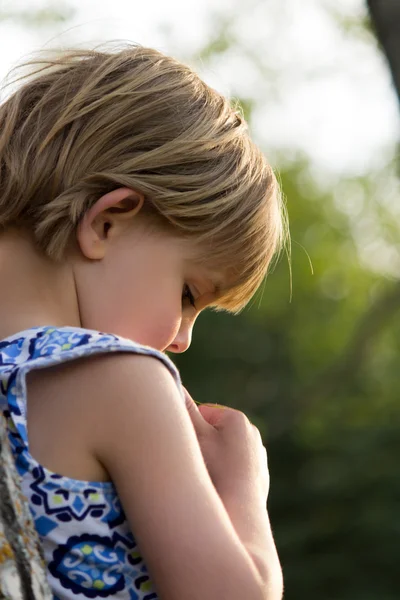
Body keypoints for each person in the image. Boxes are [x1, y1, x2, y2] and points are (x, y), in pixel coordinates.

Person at [0, 44, 285, 600]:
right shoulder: (120, 379)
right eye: (187, 294)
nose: (181, 338)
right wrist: (242, 485)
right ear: (108, 221)